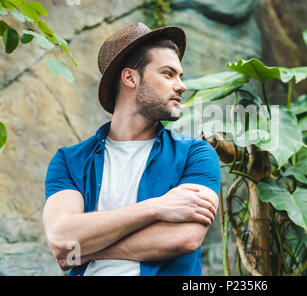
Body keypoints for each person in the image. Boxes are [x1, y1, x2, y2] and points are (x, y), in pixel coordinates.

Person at [42, 23, 221, 276]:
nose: (181, 85)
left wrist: (90, 250)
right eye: (168, 74)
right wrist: (157, 207)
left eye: (180, 76)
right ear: (130, 78)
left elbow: (185, 237)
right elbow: (61, 238)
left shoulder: (196, 154)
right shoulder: (69, 161)